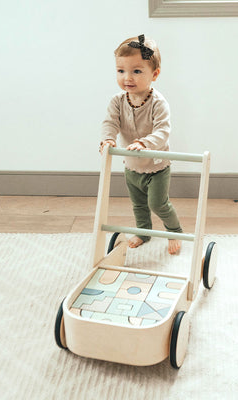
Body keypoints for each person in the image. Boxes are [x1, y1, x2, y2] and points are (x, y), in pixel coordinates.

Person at [99, 34, 182, 255]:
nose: (127, 77)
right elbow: (110, 122)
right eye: (121, 71)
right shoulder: (117, 101)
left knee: (158, 204)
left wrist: (144, 143)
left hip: (156, 167)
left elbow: (163, 131)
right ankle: (144, 232)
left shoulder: (158, 103)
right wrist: (108, 139)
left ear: (154, 74)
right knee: (138, 205)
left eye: (136, 71)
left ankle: (175, 231)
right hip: (132, 166)